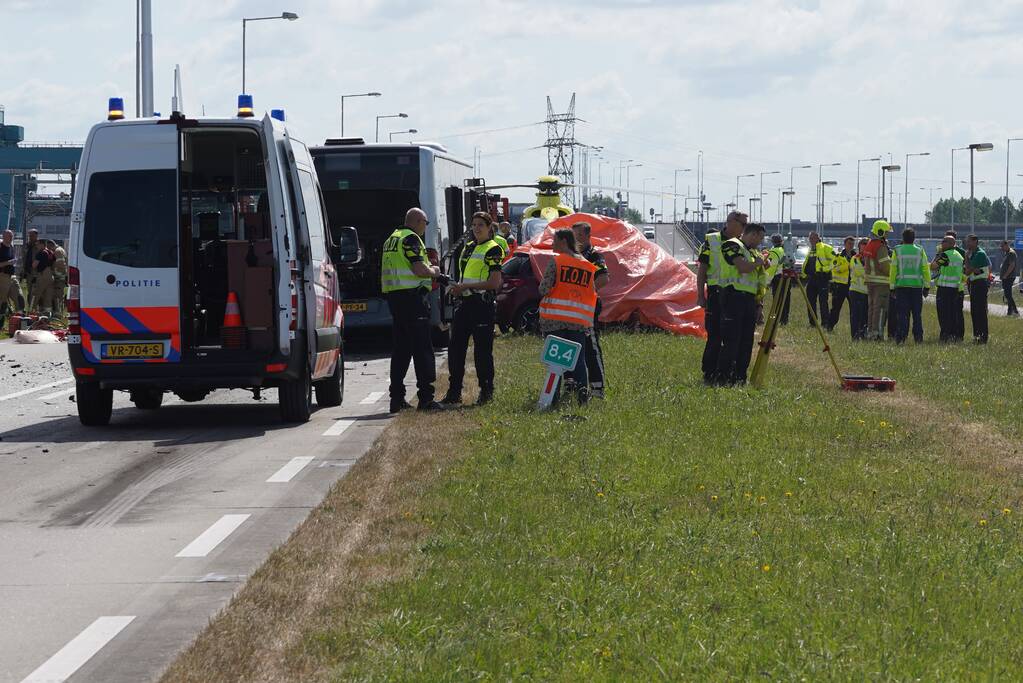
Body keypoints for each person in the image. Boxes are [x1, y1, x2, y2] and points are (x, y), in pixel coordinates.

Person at [381, 207, 447, 413]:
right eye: (425, 223)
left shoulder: (391, 239)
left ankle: (397, 398)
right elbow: (419, 269)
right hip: (413, 299)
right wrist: (435, 272)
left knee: (401, 349)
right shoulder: (410, 239)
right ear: (418, 221)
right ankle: (426, 399)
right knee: (422, 349)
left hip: (395, 299)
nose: (425, 228)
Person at [442, 212, 504, 406]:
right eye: (474, 225)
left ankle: (486, 392)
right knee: (455, 349)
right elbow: (465, 276)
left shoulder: (493, 249)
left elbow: (494, 283)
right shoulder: (468, 248)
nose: (476, 228)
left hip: (482, 306)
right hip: (465, 304)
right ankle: (454, 392)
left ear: (489, 228)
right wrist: (457, 288)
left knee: (482, 351)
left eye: (480, 225)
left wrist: (467, 287)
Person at [538, 228, 598, 404]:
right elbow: (593, 292)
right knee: (578, 361)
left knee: (555, 362)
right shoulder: (587, 265)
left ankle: (552, 399)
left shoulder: (557, 262)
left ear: (563, 242)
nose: (552, 244)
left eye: (554, 240)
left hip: (556, 320)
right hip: (578, 321)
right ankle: (582, 400)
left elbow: (543, 289)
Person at [697, 211, 746, 385]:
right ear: (731, 222)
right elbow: (702, 269)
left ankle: (726, 373)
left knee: (732, 337)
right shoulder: (712, 241)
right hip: (716, 294)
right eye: (743, 224)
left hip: (734, 296)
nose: (744, 228)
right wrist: (700, 295)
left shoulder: (742, 244)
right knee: (715, 335)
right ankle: (709, 372)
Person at [715, 223, 767, 386]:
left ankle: (739, 377)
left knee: (746, 341)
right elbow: (742, 267)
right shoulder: (732, 245)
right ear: (754, 234)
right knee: (732, 340)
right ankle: (723, 377)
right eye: (760, 238)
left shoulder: (752, 252)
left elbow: (758, 280)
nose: (760, 242)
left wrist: (759, 305)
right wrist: (758, 263)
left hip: (749, 300)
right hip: (733, 297)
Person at [572, 220, 610, 398]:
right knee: (572, 344)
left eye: (579, 235)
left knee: (590, 347)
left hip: (588, 306)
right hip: (570, 308)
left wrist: (585, 292)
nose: (576, 239)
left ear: (588, 236)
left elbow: (603, 279)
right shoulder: (571, 256)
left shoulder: (594, 255)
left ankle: (597, 388)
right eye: (574, 236)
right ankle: (573, 385)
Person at [889, 227, 930, 344]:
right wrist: (926, 287)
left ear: (903, 238)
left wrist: (892, 287)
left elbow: (893, 270)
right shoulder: (920, 250)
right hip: (916, 288)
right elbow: (925, 269)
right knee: (917, 315)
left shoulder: (897, 250)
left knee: (902, 315)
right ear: (914, 239)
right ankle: (918, 338)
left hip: (901, 287)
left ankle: (901, 338)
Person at [861, 220, 893, 340]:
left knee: (872, 309)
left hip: (870, 282)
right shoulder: (881, 246)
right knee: (880, 309)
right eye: (885, 233)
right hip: (881, 283)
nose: (887, 235)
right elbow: (885, 266)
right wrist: (894, 274)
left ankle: (871, 333)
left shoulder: (869, 244)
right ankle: (878, 334)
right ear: (880, 232)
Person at [930, 235, 964, 342]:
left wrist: (938, 254)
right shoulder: (959, 255)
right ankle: (953, 335)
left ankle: (945, 335)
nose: (941, 244)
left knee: (944, 314)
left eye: (943, 241)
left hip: (944, 288)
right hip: (955, 288)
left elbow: (933, 266)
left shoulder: (945, 255)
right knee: (953, 314)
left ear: (950, 243)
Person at [801, 231, 833, 327]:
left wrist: (825, 269)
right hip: (812, 279)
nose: (811, 240)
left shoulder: (825, 248)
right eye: (810, 238)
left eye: (813, 238)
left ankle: (825, 323)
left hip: (822, 278)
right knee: (810, 301)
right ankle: (813, 323)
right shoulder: (811, 250)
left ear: (818, 238)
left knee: (823, 302)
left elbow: (836, 261)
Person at [964, 234, 991, 343]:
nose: (967, 243)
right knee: (974, 311)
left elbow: (967, 271)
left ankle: (982, 336)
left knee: (980, 311)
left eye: (969, 241)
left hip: (980, 284)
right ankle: (977, 335)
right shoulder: (974, 253)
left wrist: (966, 257)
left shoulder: (979, 254)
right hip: (975, 284)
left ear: (975, 242)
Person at [828, 236, 855, 331]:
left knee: (854, 309)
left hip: (852, 285)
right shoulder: (838, 256)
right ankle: (829, 326)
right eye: (849, 243)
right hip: (840, 286)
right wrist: (847, 266)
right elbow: (834, 268)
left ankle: (854, 329)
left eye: (852, 244)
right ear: (845, 244)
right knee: (836, 308)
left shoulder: (856, 256)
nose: (851, 246)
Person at [765, 234, 791, 325]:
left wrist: (767, 281)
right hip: (786, 276)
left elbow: (772, 268)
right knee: (786, 299)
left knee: (777, 299)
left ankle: (776, 319)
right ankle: (785, 319)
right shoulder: (783, 250)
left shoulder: (773, 251)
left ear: (772, 241)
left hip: (777, 278)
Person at [0, 229, 25, 322]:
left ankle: (20, 319)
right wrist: (8, 263)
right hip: (2, 276)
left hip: (12, 276)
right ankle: (1, 321)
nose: (11, 238)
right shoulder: (1, 247)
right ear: (4, 236)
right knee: (2, 301)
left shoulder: (11, 246)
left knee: (19, 297)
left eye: (12, 236)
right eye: (9, 236)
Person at [848, 237, 869, 340]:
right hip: (855, 290)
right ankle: (855, 336)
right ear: (859, 246)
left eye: (866, 245)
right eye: (863, 245)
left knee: (865, 316)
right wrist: (867, 271)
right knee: (855, 315)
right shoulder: (854, 258)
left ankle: (863, 334)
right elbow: (858, 271)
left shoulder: (871, 259)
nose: (864, 247)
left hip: (867, 292)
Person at [31, 239, 56, 314]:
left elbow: (34, 265)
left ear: (42, 244)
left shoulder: (41, 253)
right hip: (50, 276)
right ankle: (47, 314)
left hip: (42, 275)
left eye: (38, 244)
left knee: (36, 294)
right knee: (48, 296)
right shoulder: (51, 252)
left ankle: (32, 311)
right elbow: (54, 264)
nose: (36, 246)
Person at [20, 229, 42, 309]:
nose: (30, 237)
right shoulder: (27, 246)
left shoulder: (39, 246)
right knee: (29, 292)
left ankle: (35, 309)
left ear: (36, 236)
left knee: (34, 292)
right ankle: (30, 308)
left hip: (36, 273)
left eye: (32, 236)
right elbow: (24, 258)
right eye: (29, 236)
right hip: (28, 273)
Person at [999, 240, 1018, 317]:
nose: (1001, 248)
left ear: (1007, 245)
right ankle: (1010, 311)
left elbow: (1012, 265)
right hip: (1006, 277)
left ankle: (1015, 310)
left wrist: (1005, 275)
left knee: (1008, 295)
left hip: (1009, 277)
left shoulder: (1011, 253)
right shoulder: (1006, 253)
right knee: (1007, 295)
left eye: (1002, 246)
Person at [51, 240, 68, 314]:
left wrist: (56, 274)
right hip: (62, 278)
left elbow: (60, 264)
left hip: (59, 278)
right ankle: (59, 312)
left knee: (57, 296)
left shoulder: (57, 251)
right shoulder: (61, 250)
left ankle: (58, 314)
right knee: (59, 296)